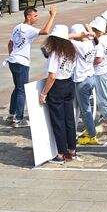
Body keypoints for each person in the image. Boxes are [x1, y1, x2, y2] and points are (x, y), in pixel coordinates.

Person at [5, 5, 57, 127]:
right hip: (21, 62)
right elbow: (45, 31)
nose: (37, 18)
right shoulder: (28, 29)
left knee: (17, 88)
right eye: (35, 16)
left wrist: (12, 55)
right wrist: (53, 16)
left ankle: (11, 114)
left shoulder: (17, 27)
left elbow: (10, 44)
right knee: (21, 90)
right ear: (28, 17)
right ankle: (19, 119)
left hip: (13, 60)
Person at [39, 25, 78, 165]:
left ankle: (60, 153)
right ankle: (72, 150)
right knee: (69, 119)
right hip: (69, 83)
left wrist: (44, 93)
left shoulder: (55, 54)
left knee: (58, 121)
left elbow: (52, 76)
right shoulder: (71, 50)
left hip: (58, 86)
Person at [70, 24, 99, 145]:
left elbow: (62, 37)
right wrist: (89, 31)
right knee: (86, 107)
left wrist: (78, 35)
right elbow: (94, 38)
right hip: (91, 76)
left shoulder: (80, 45)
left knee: (85, 109)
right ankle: (90, 128)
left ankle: (92, 135)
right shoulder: (92, 42)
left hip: (82, 80)